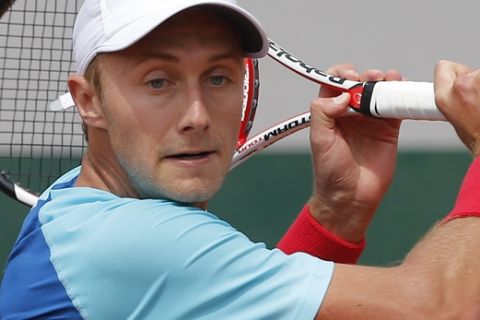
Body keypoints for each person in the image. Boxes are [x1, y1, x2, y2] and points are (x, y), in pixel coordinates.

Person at [0, 0, 479, 319]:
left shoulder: (74, 206)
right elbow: (443, 309)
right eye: (158, 81)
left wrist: (337, 212)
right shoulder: (125, 242)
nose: (197, 115)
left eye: (217, 78)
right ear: (88, 101)